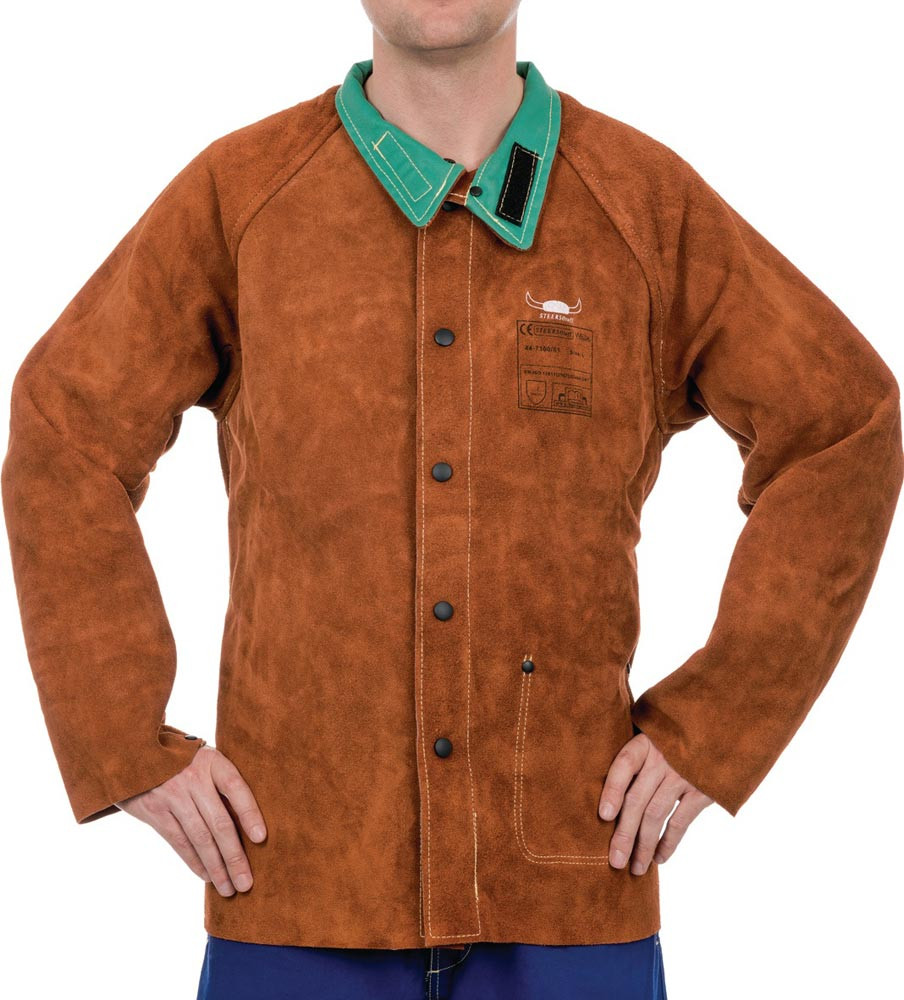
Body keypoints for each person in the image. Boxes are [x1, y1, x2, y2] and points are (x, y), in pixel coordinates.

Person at [3, 1, 902, 998]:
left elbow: (843, 423)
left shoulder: (644, 207)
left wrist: (721, 724)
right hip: (296, 885)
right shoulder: (242, 197)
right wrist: (120, 739)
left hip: (571, 888)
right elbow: (64, 426)